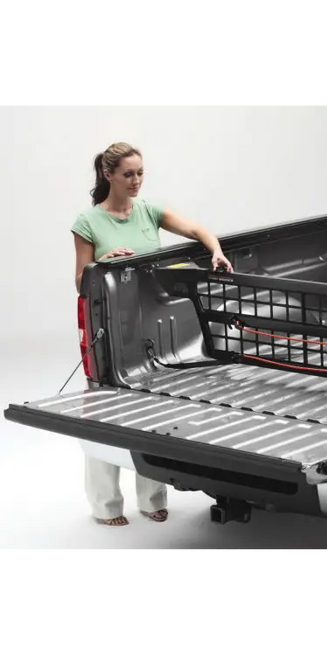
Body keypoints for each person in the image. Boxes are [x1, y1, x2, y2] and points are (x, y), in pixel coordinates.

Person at [71, 142, 234, 527]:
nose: (136, 181)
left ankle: (152, 498)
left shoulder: (150, 210)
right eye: (128, 174)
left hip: (149, 324)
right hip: (109, 327)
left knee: (153, 410)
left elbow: (196, 229)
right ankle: (106, 505)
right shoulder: (87, 222)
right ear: (107, 175)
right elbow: (80, 280)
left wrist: (215, 251)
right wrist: (101, 264)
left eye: (140, 173)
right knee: (105, 415)